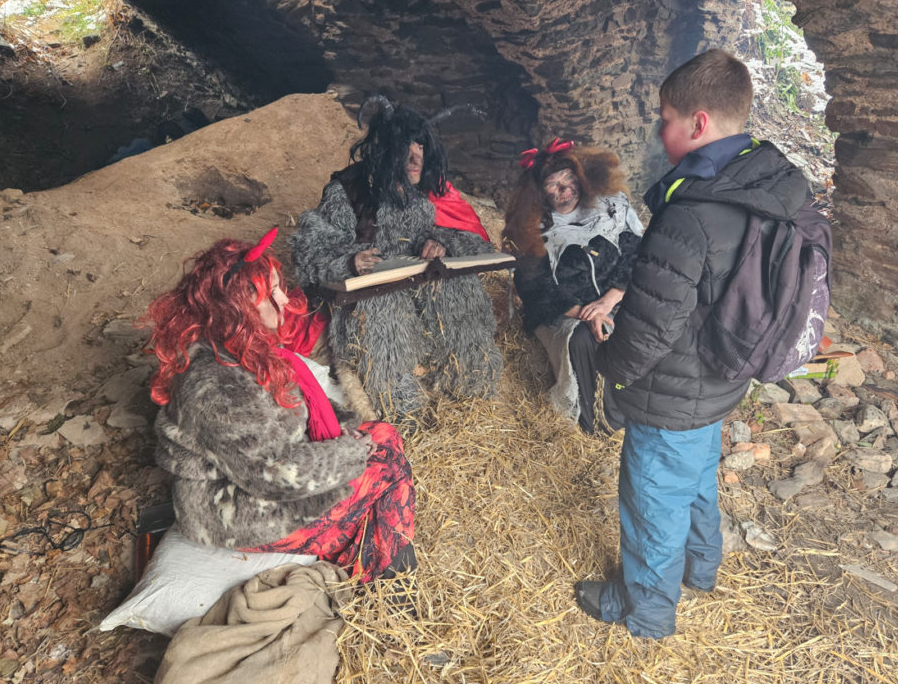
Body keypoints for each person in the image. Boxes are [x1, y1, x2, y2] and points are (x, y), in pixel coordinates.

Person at [575, 50, 812, 637]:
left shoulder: (690, 212)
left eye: (666, 119)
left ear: (698, 123)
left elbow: (648, 331)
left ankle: (646, 612)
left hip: (671, 392)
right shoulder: (768, 182)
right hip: (721, 376)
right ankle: (701, 568)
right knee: (698, 479)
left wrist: (606, 364)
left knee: (653, 501)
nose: (660, 132)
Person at [145, 229, 416, 583]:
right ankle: (392, 583)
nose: (285, 299)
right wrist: (349, 453)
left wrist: (344, 432)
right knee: (386, 470)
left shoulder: (248, 349)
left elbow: (293, 407)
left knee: (384, 435)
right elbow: (274, 474)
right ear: (237, 306)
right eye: (271, 292)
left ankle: (372, 551)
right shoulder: (215, 385)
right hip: (240, 511)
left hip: (270, 469)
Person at [290, 98, 502, 419]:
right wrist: (350, 260)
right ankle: (403, 408)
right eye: (407, 149)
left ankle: (468, 383)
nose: (417, 159)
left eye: (421, 149)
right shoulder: (347, 191)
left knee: (458, 287)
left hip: (410, 283)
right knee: (384, 305)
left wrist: (437, 242)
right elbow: (310, 247)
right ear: (387, 151)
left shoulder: (417, 197)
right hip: (368, 296)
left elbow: (465, 239)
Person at [502, 139, 643, 434]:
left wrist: (610, 299)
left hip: (614, 298)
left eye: (569, 178)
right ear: (540, 193)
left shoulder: (611, 209)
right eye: (553, 184)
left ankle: (638, 408)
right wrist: (586, 313)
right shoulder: (532, 229)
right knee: (583, 339)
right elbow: (534, 287)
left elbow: (635, 254)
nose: (564, 189)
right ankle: (598, 422)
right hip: (565, 310)